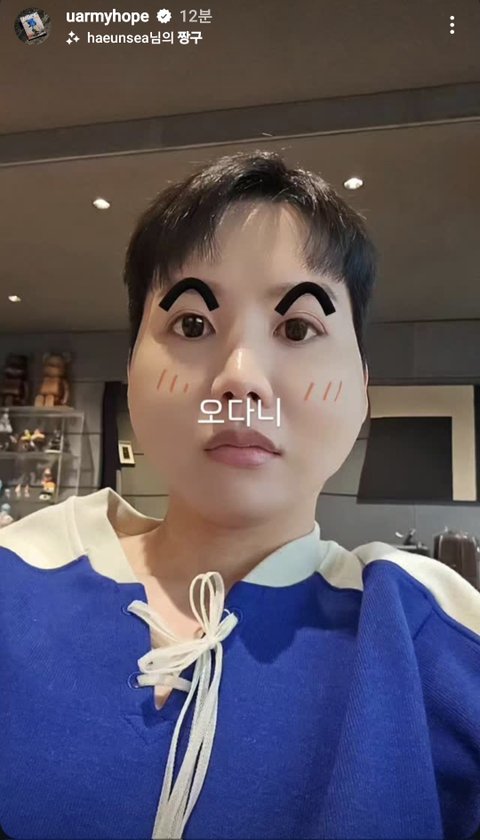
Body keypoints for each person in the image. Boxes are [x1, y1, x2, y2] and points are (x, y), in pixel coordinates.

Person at [0, 150, 479, 840]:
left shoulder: (436, 637)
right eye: (193, 325)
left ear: (361, 387)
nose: (240, 378)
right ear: (132, 370)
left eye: (298, 328)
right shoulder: (19, 576)